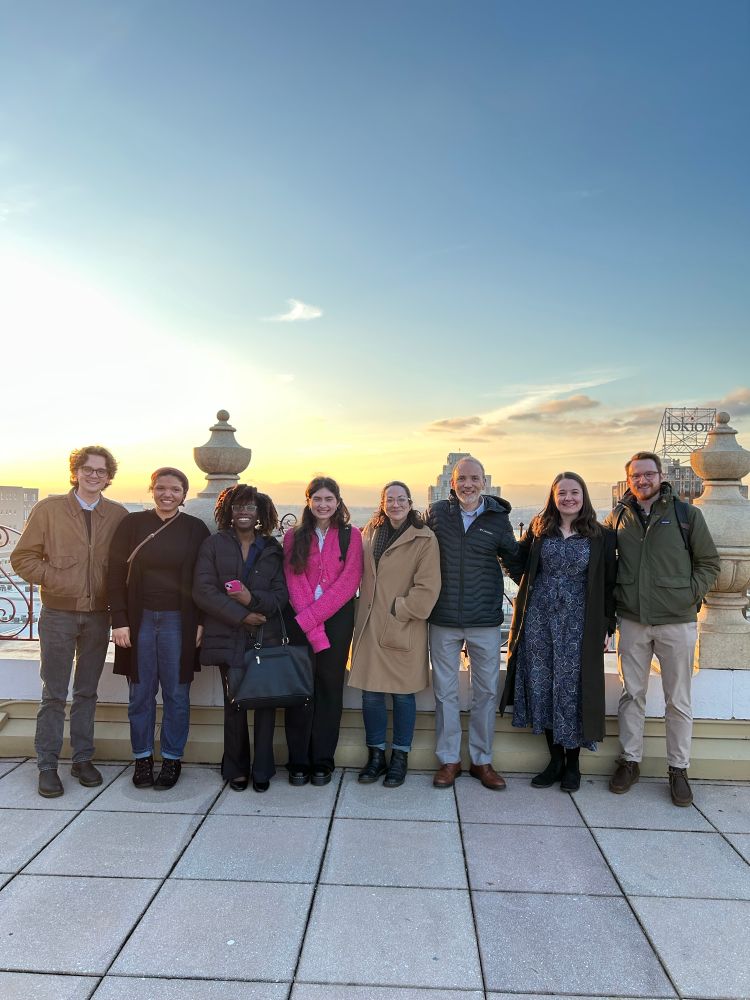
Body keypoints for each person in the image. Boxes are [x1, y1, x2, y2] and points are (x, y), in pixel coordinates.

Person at [11, 446, 127, 798]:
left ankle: (82, 759)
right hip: (58, 614)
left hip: (98, 616)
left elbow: (124, 564)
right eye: (88, 469)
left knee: (87, 692)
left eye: (101, 471)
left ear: (109, 477)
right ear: (75, 472)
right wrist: (57, 579)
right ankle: (47, 765)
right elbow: (22, 558)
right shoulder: (48, 509)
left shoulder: (118, 514)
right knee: (54, 693)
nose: (94, 475)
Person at [604, 451, 719, 807]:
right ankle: (630, 760)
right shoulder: (618, 517)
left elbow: (709, 563)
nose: (642, 480)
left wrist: (688, 595)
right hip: (633, 621)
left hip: (677, 622)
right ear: (629, 479)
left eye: (648, 474)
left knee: (678, 700)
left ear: (660, 475)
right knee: (631, 695)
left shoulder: (687, 515)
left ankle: (678, 769)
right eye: (636, 475)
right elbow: (607, 565)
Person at [500, 472, 617, 791]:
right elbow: (516, 561)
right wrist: (530, 585)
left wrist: (609, 625)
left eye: (574, 492)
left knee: (573, 688)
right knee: (544, 685)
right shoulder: (539, 529)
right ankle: (554, 761)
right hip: (539, 620)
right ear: (553, 497)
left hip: (580, 622)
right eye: (561, 492)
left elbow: (609, 583)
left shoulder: (601, 535)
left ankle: (573, 764)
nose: (568, 498)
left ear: (584, 496)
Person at [108, 468, 209, 790]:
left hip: (179, 622)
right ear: (152, 489)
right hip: (139, 621)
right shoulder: (133, 524)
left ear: (184, 494)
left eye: (175, 489)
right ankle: (142, 758)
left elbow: (205, 580)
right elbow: (113, 574)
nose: (168, 494)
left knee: (177, 693)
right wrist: (119, 621)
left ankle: (171, 758)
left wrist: (201, 622)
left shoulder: (195, 529)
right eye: (162, 488)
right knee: (140, 693)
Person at [193, 484, 297, 792]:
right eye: (238, 507)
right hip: (228, 635)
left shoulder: (272, 549)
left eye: (250, 507)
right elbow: (203, 590)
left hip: (266, 635)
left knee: (265, 703)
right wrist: (242, 615)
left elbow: (281, 595)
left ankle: (263, 768)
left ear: (260, 512)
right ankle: (235, 768)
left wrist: (251, 601)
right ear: (228, 511)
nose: (244, 512)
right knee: (234, 703)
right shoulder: (213, 545)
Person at [425, 456, 519, 790]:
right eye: (462, 478)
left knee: (485, 692)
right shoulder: (436, 514)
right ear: (452, 482)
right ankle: (449, 760)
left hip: (484, 620)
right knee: (445, 693)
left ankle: (482, 761)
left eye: (474, 478)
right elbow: (415, 548)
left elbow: (513, 560)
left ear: (484, 482)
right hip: (443, 617)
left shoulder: (498, 518)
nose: (468, 484)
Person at [349, 481, 441, 787]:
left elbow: (428, 590)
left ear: (411, 502)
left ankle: (400, 757)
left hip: (403, 625)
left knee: (403, 696)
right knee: (371, 694)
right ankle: (375, 756)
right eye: (390, 499)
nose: (396, 504)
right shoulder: (369, 533)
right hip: (368, 625)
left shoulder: (424, 538)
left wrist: (398, 610)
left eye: (402, 499)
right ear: (382, 503)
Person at [283, 476, 363, 785]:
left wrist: (314, 619)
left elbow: (349, 582)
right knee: (301, 691)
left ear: (338, 502)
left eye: (329, 499)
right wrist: (311, 626)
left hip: (337, 621)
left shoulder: (351, 535)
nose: (323, 504)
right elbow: (294, 581)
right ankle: (298, 762)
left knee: (330, 690)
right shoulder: (294, 536)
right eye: (317, 499)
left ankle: (322, 762)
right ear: (308, 501)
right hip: (301, 620)